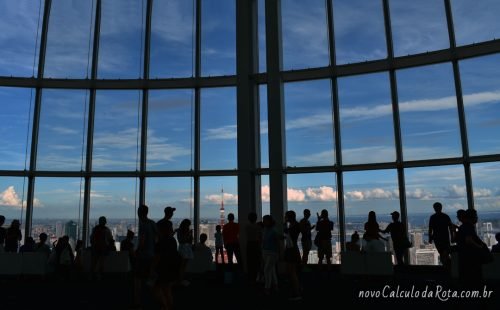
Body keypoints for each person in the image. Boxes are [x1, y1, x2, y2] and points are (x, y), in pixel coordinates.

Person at [134, 204, 158, 308]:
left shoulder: (143, 224)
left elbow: (142, 241)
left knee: (137, 279)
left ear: (139, 213)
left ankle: (137, 303)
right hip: (152, 254)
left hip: (143, 255)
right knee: (150, 277)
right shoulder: (152, 223)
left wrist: (137, 251)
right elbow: (158, 237)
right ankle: (156, 299)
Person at [456, 209, 487, 285]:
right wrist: (479, 247)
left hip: (465, 256)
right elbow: (468, 240)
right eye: (476, 216)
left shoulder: (463, 227)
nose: (477, 218)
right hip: (471, 257)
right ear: (471, 217)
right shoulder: (468, 226)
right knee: (473, 277)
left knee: (466, 277)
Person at [428, 202, 453, 268]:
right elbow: (451, 228)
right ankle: (448, 266)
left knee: (442, 253)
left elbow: (430, 229)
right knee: (445, 253)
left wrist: (430, 238)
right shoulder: (445, 216)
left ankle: (446, 266)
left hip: (437, 238)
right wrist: (452, 237)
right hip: (445, 238)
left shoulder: (433, 217)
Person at [284, 210, 302, 301]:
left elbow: (287, 235)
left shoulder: (292, 227)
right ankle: (296, 291)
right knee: (292, 272)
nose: (285, 218)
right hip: (293, 249)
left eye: (286, 216)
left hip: (291, 250)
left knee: (292, 272)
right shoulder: (295, 225)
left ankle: (296, 293)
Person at [261, 215, 279, 295]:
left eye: (265, 220)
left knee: (267, 269)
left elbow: (277, 242)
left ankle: (267, 287)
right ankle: (275, 285)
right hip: (265, 251)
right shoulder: (265, 229)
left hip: (272, 252)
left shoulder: (273, 230)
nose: (263, 222)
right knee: (271, 269)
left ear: (269, 221)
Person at [245, 212, 262, 285]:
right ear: (256, 218)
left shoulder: (247, 226)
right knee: (257, 261)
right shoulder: (258, 226)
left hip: (249, 244)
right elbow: (260, 236)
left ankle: (250, 278)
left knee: (250, 261)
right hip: (257, 244)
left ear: (249, 219)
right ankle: (257, 277)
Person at [177, 218, 194, 286]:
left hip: (184, 248)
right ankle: (180, 280)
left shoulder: (180, 230)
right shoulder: (183, 231)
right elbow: (183, 240)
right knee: (182, 265)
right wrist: (189, 234)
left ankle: (181, 279)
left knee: (182, 265)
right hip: (185, 248)